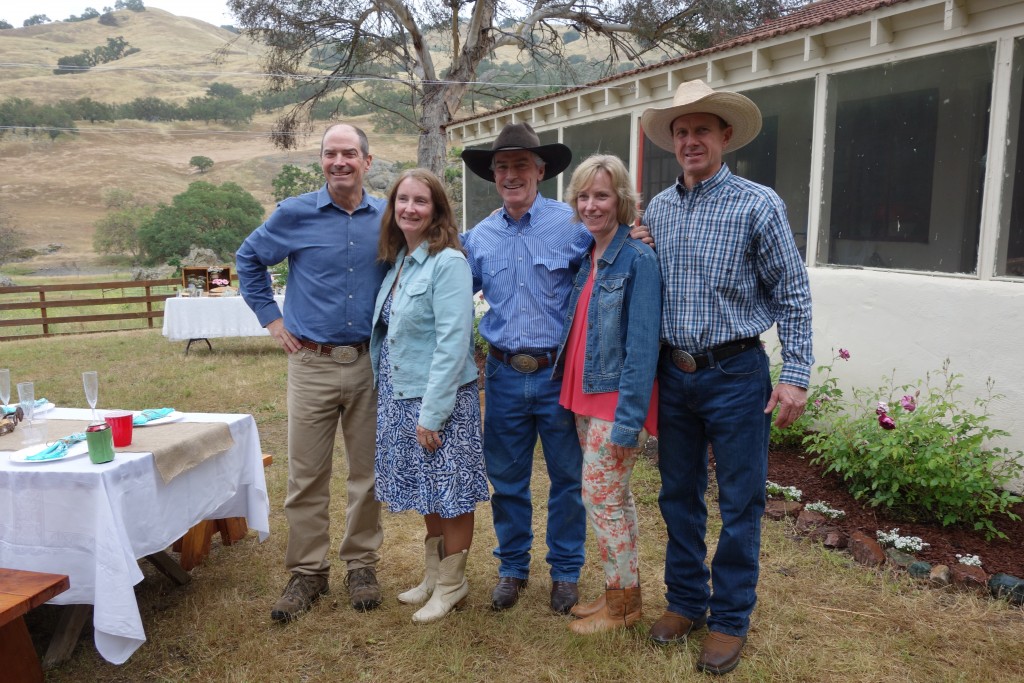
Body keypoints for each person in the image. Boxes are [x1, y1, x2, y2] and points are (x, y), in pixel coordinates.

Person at [639, 80, 813, 674]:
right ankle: (686, 601)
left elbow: (792, 294)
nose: (691, 141)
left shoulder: (757, 203)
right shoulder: (658, 210)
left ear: (725, 137)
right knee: (678, 495)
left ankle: (730, 618)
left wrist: (795, 375)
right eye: (682, 132)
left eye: (702, 131)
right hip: (675, 372)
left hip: (736, 371)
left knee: (741, 501)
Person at [237, 123, 387, 623]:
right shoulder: (294, 213)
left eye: (349, 153)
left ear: (367, 160)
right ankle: (308, 572)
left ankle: (362, 565)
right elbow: (248, 259)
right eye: (330, 154)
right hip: (311, 364)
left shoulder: (388, 217)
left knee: (367, 474)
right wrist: (271, 319)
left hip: (370, 362)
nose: (339, 161)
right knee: (306, 474)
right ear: (321, 161)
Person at [460, 123, 590, 614]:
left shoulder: (572, 225)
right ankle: (512, 568)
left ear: (541, 170)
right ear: (493, 174)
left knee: (567, 479)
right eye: (502, 166)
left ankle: (565, 573)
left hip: (559, 372)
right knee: (508, 479)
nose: (511, 174)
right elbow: (452, 293)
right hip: (503, 373)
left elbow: (605, 271)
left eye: (521, 165)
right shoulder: (477, 238)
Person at [370, 169, 489, 624]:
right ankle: (434, 576)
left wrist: (433, 414)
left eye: (421, 201)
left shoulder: (449, 262)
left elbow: (453, 342)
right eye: (403, 200)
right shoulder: (400, 259)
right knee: (428, 490)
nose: (410, 208)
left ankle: (454, 585)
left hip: (439, 401)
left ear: (437, 209)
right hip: (401, 395)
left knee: (451, 492)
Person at [552, 154, 662, 634]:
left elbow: (641, 348)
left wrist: (629, 419)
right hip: (584, 396)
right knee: (614, 500)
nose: (592, 204)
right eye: (584, 196)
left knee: (601, 498)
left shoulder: (638, 259)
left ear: (622, 200)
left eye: (602, 195)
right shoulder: (590, 255)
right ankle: (621, 594)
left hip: (614, 402)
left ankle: (621, 611)